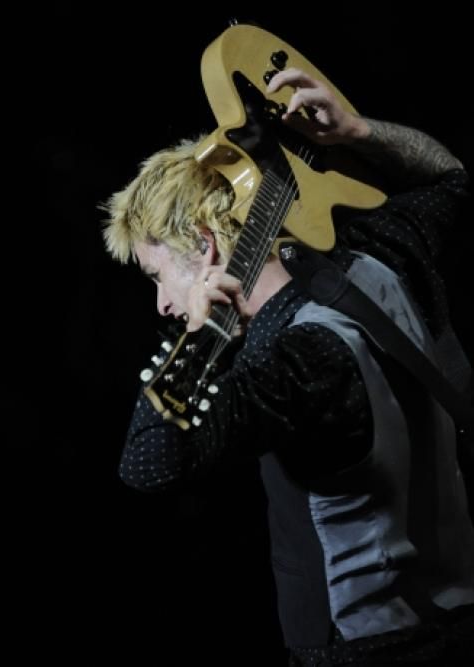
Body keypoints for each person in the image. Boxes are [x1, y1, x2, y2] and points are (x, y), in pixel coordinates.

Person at [103, 67, 474, 665]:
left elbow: (146, 464)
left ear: (205, 244)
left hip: (368, 648)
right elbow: (450, 175)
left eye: (156, 276)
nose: (163, 304)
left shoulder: (296, 363)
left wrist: (197, 338)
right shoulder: (382, 256)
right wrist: (357, 131)